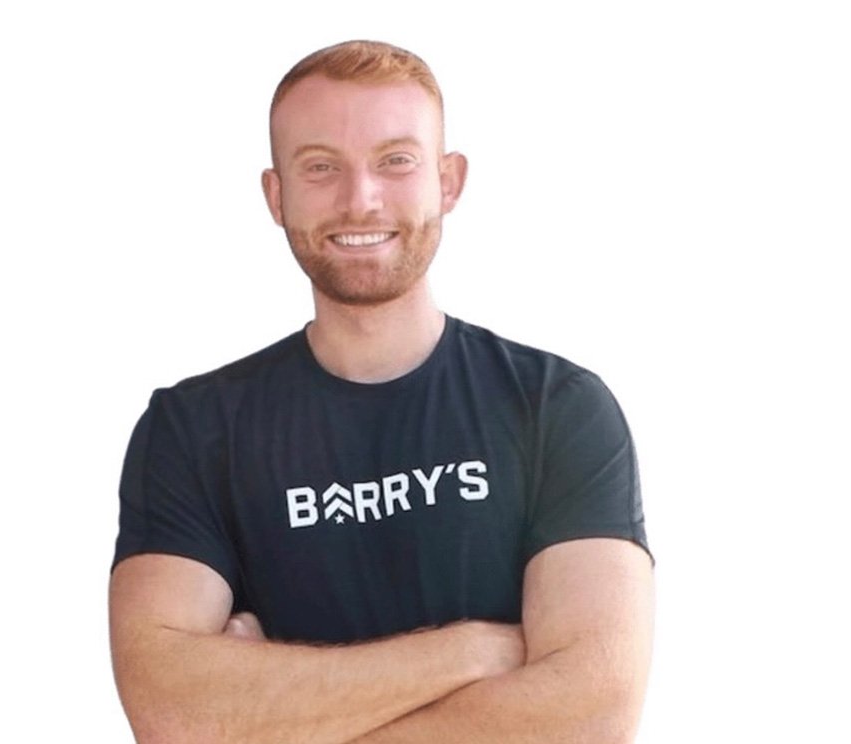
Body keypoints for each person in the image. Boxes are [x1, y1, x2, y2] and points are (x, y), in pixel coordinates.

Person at [109, 40, 654, 744]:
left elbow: (591, 715)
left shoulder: (557, 408)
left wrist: (266, 717)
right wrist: (473, 651)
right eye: (320, 167)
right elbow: (171, 713)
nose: (360, 199)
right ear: (276, 195)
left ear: (448, 181)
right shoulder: (192, 430)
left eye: (395, 161)